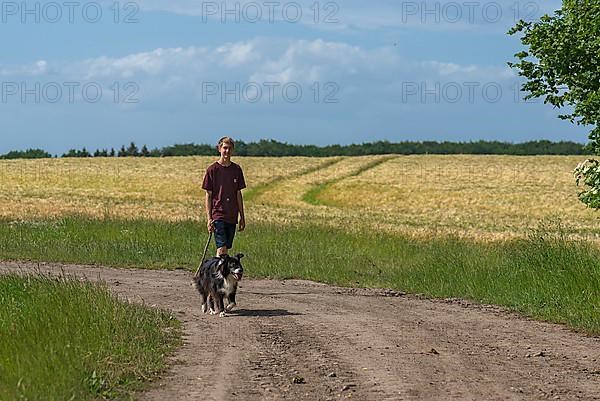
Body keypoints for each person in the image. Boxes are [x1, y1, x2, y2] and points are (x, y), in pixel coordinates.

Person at [202, 136, 246, 257]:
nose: (227, 151)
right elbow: (208, 195)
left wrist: (242, 216)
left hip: (232, 215)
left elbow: (238, 194)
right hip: (218, 214)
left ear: (233, 150)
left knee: (226, 247)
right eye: (225, 148)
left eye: (229, 148)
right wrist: (209, 219)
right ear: (219, 149)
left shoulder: (236, 170)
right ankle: (219, 274)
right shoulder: (212, 170)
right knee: (221, 249)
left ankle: (217, 272)